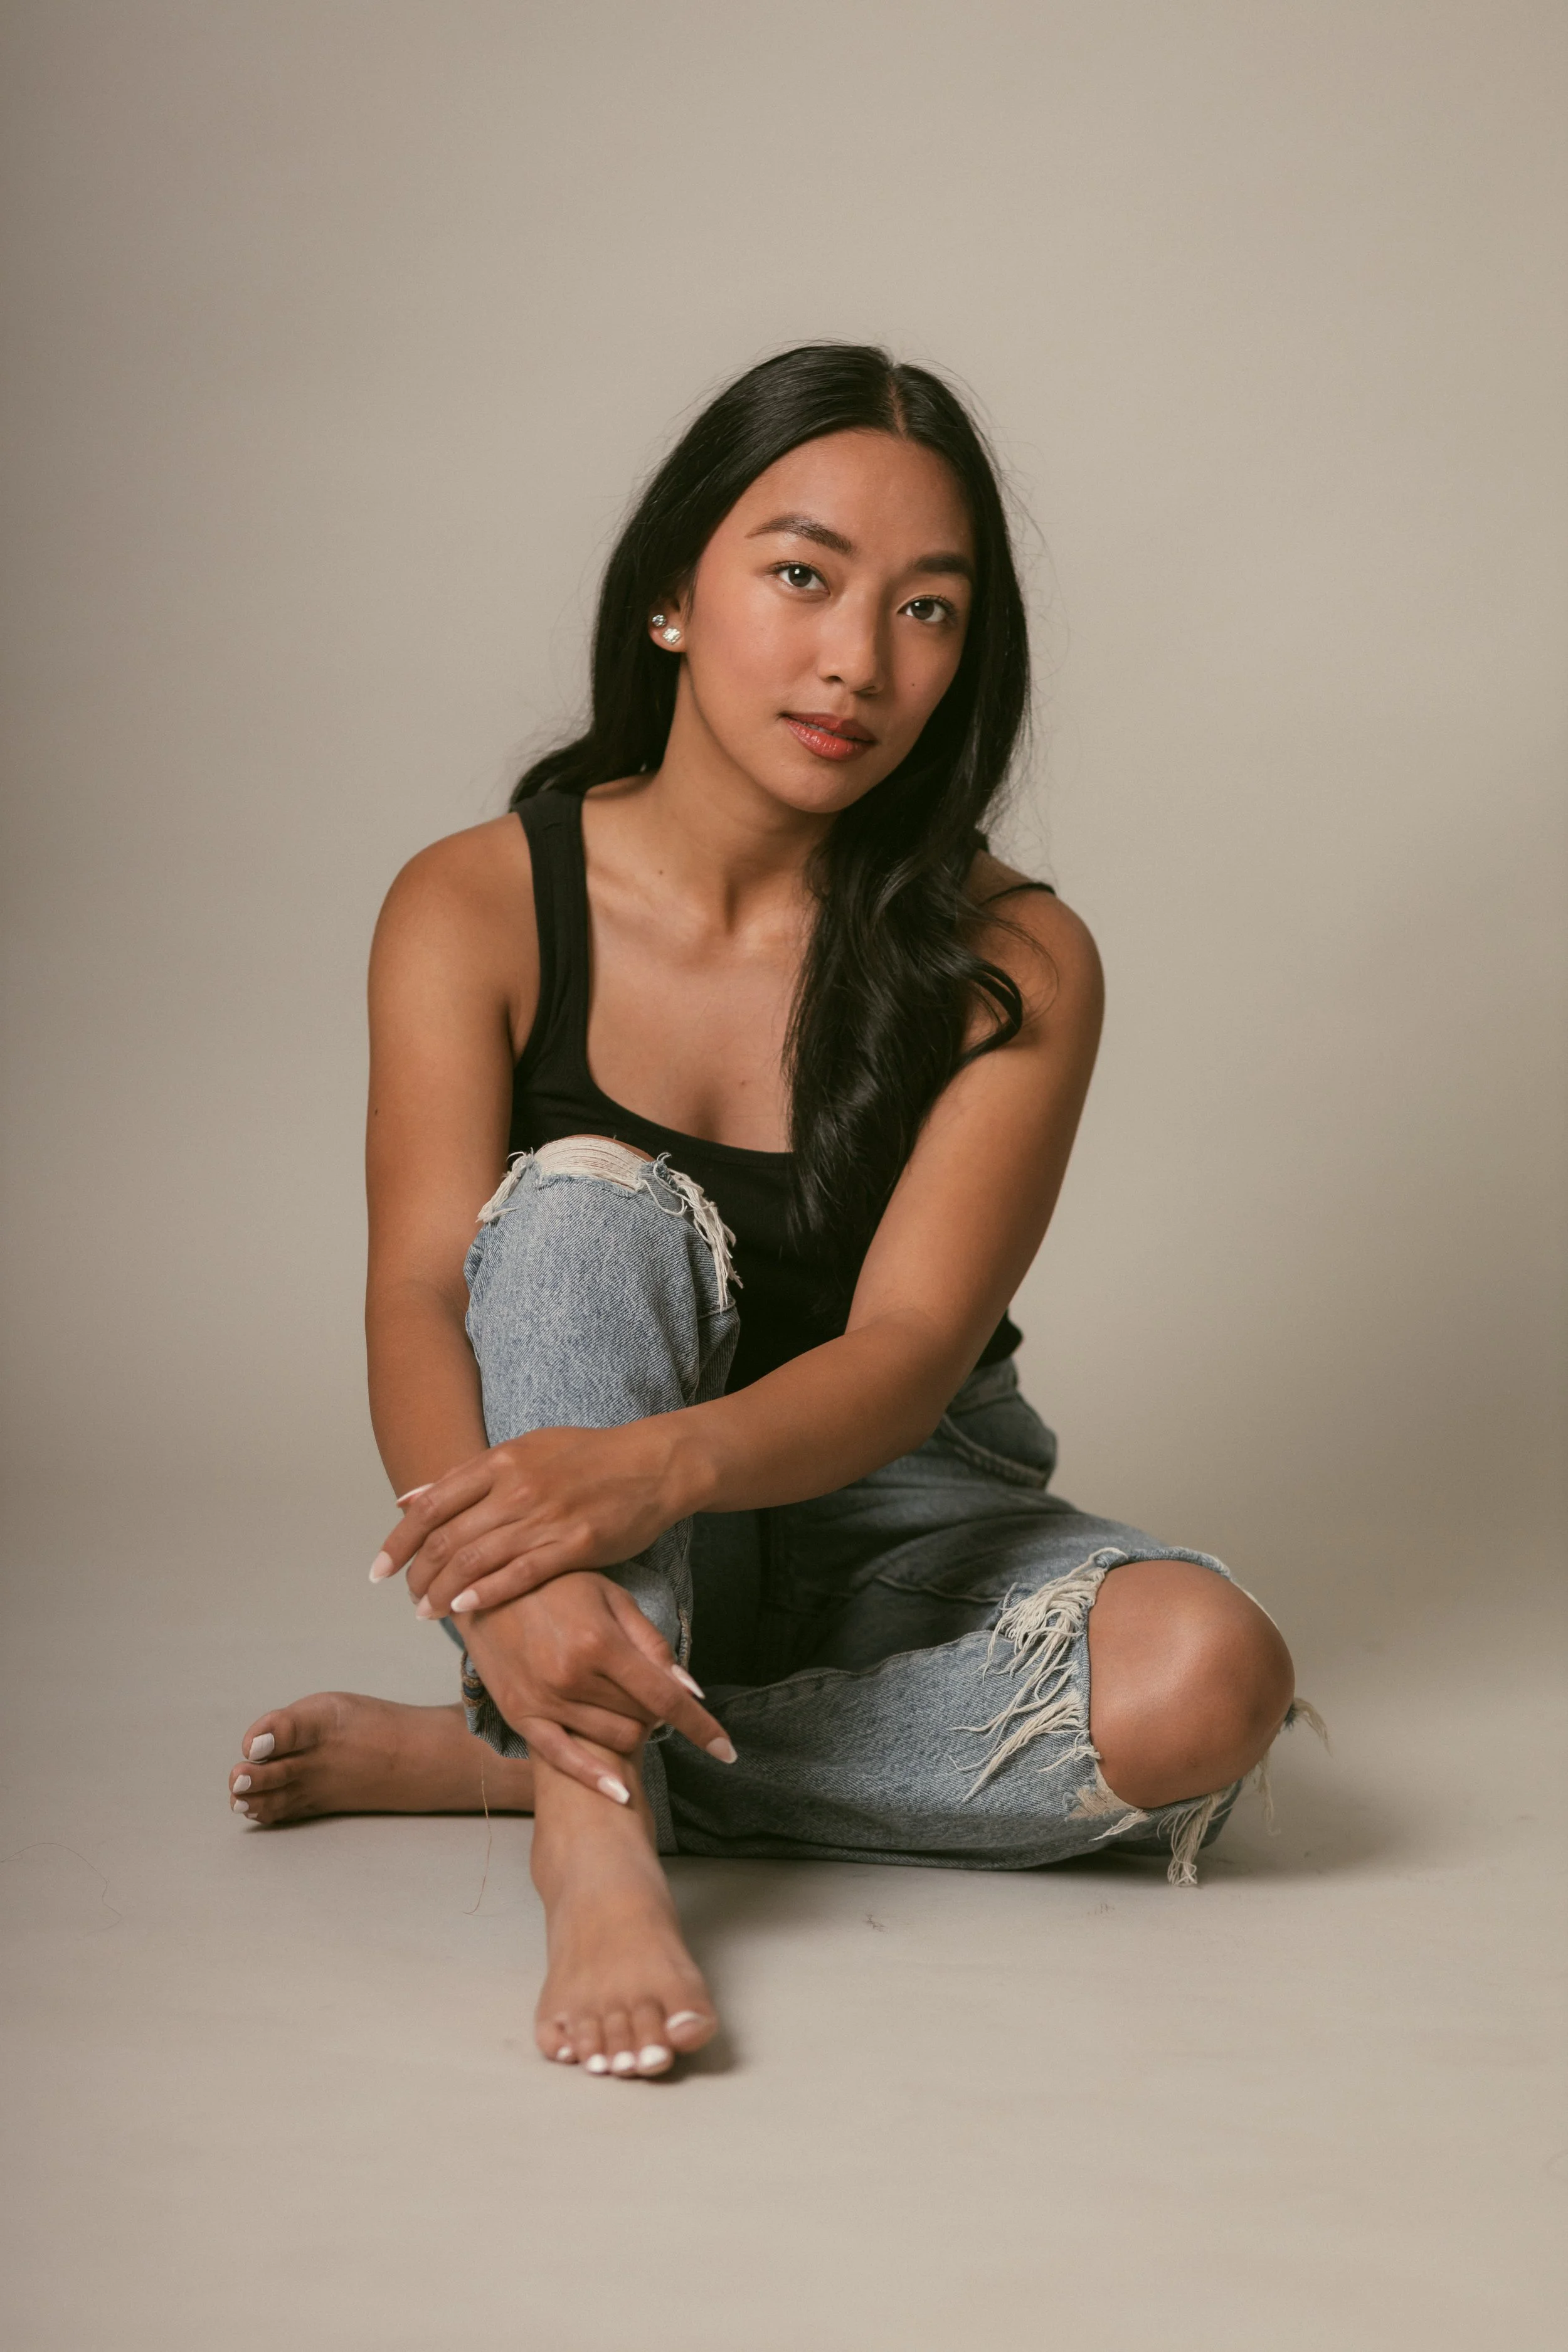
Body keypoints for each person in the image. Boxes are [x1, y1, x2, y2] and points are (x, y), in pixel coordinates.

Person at [228, 344, 1306, 2081]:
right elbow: (418, 1294)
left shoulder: (1016, 954)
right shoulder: (479, 900)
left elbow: (909, 1349)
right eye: (803, 575)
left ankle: (533, 1753)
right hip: (594, 1542)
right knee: (583, 1202)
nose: (857, 660)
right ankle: (595, 1840)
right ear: (672, 593)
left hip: (898, 1506)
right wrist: (494, 1594)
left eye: (927, 609)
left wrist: (658, 1468)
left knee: (1212, 1685)